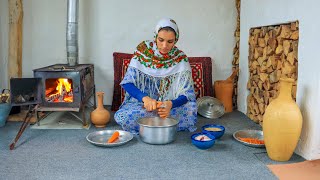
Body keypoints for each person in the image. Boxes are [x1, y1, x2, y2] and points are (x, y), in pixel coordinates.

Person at [114, 18, 197, 134]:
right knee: (123, 116)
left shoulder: (180, 58)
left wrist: (170, 104)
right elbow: (127, 83)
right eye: (161, 40)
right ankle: (165, 125)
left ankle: (149, 125)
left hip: (169, 107)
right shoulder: (143, 51)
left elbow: (188, 94)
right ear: (155, 36)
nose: (164, 46)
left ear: (176, 40)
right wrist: (145, 99)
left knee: (191, 109)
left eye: (170, 41)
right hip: (142, 104)